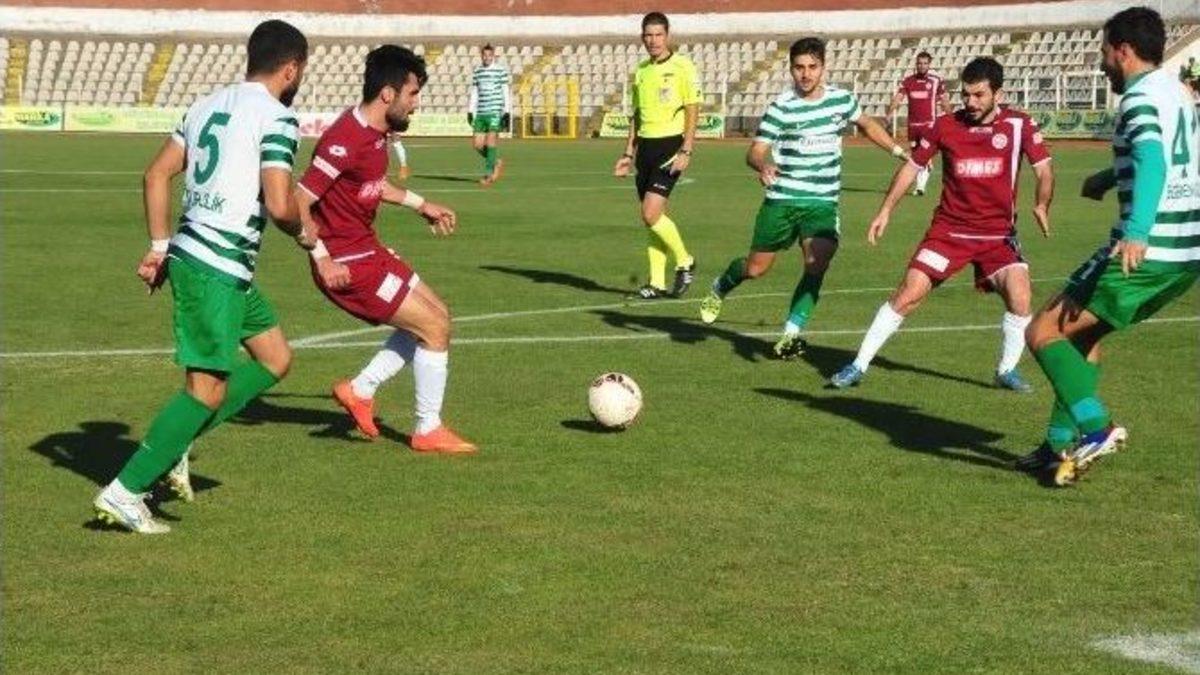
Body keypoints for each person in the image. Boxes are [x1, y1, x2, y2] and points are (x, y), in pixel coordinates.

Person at [93, 20, 313, 533]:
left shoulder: (205, 104)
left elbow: (155, 173)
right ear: (291, 68)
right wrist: (306, 232)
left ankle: (177, 444)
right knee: (206, 389)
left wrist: (159, 247)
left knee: (275, 357)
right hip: (218, 265)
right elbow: (280, 203)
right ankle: (125, 491)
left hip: (204, 259)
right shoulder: (278, 117)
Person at [1020, 6, 1198, 485]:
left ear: (1123, 51)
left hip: (1148, 247)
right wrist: (1106, 177)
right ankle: (1057, 445)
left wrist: (1137, 231)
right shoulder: (1177, 91)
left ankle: (1097, 429)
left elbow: (1154, 160)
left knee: (1042, 332)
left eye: (1104, 53)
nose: (1102, 64)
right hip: (1186, 251)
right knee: (1083, 337)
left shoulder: (1138, 98)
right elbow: (1174, 156)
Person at [831, 57, 1055, 392]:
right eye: (966, 94)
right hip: (949, 233)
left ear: (998, 94)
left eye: (979, 95)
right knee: (909, 294)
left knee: (1020, 296)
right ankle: (857, 365)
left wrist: (1041, 203)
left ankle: (1006, 371)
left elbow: (1044, 170)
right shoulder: (945, 125)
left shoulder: (1020, 124)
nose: (970, 102)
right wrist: (885, 209)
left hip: (997, 236)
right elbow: (912, 167)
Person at [298, 45, 476, 454]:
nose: (417, 103)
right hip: (347, 263)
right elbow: (298, 201)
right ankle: (427, 429)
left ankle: (360, 390)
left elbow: (372, 186)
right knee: (433, 328)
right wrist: (321, 258)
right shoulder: (344, 140)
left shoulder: (376, 134)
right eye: (412, 94)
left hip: (367, 250)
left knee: (439, 315)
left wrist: (421, 205)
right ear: (387, 94)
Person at [698, 37, 910, 359]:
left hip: (821, 201)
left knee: (817, 261)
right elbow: (755, 151)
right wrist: (762, 165)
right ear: (791, 69)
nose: (806, 74)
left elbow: (867, 124)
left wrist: (898, 151)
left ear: (823, 67)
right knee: (755, 269)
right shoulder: (781, 107)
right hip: (782, 200)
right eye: (799, 67)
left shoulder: (842, 100)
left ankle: (790, 334)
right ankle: (721, 286)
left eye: (812, 67)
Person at [613, 11, 698, 299]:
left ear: (667, 36)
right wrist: (628, 152)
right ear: (642, 38)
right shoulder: (641, 71)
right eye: (648, 35)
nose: (653, 40)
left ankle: (685, 260)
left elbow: (693, 108)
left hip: (670, 147)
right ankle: (657, 282)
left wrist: (687, 148)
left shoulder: (683, 66)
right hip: (645, 150)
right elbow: (637, 115)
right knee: (653, 219)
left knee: (650, 213)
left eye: (658, 34)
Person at [887, 51, 952, 196]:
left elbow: (944, 100)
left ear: (929, 64)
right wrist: (890, 112)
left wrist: (950, 117)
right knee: (916, 155)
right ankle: (923, 176)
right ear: (916, 64)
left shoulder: (936, 81)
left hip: (929, 124)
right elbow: (898, 97)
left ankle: (920, 187)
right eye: (920, 63)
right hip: (913, 125)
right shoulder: (908, 81)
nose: (922, 66)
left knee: (924, 154)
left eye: (925, 63)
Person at [468, 44, 511, 185]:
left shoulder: (500, 71)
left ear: (493, 56)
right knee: (477, 145)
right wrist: (470, 110)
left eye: (489, 55)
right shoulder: (478, 71)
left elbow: (505, 91)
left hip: (495, 112)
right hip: (481, 112)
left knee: (491, 141)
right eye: (484, 55)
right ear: (481, 56)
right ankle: (496, 161)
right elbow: (475, 92)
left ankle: (488, 174)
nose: (487, 58)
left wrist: (507, 111)